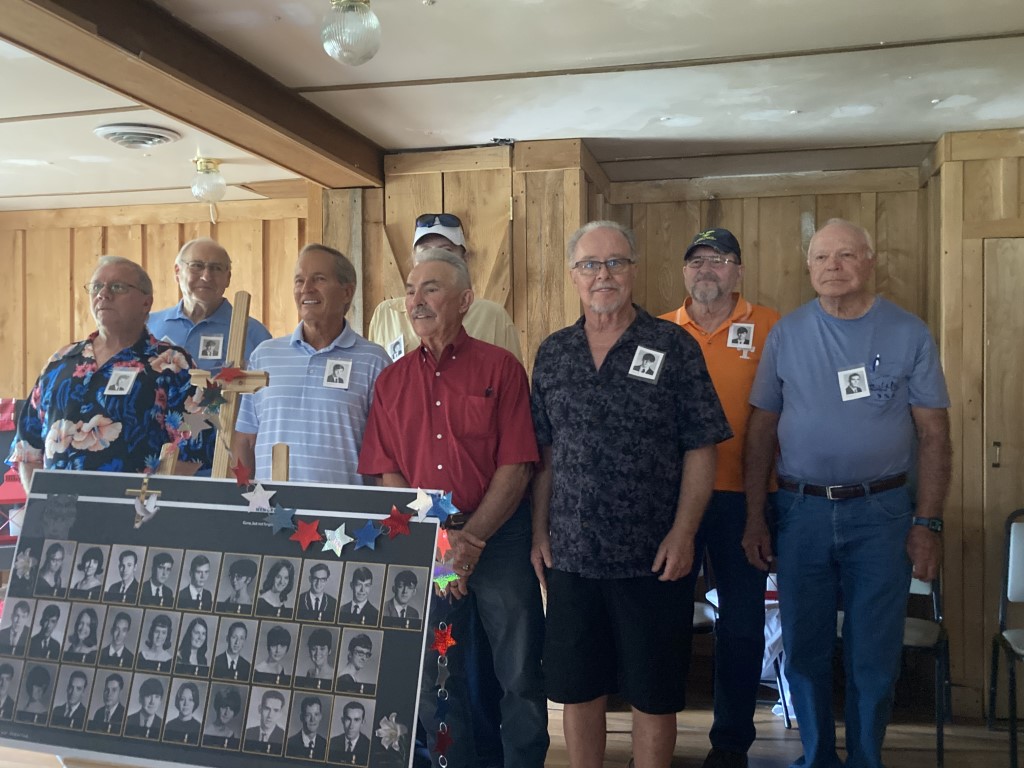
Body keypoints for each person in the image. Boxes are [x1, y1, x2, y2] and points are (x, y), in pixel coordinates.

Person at [744, 218, 951, 768]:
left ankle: (865, 759)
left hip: (882, 513)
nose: (832, 266)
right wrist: (755, 516)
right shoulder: (786, 333)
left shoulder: (908, 333)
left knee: (874, 653)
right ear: (808, 267)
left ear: (870, 261)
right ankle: (815, 757)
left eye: (845, 255)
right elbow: (761, 430)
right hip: (799, 510)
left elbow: (934, 435)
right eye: (821, 257)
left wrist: (927, 522)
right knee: (804, 648)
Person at [531, 221, 731, 768]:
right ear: (573, 275)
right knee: (577, 689)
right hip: (571, 555)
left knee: (653, 693)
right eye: (590, 265)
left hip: (653, 557)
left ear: (634, 270)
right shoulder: (554, 352)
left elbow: (701, 447)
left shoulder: (674, 346)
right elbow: (544, 453)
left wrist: (684, 533)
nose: (604, 275)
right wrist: (538, 532)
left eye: (615, 262)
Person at [358, 248, 547, 768]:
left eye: (431, 289)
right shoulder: (391, 381)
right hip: (429, 544)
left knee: (519, 671)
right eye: (411, 290)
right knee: (437, 674)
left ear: (465, 301)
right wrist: (443, 542)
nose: (416, 301)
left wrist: (470, 542)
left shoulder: (501, 368)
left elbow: (517, 465)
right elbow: (387, 471)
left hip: (500, 539)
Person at [659, 227, 781, 768]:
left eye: (719, 259)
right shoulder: (658, 330)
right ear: (684, 272)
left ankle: (731, 743)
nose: (706, 269)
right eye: (696, 261)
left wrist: (759, 511)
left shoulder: (772, 326)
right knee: (662, 622)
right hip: (671, 504)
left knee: (742, 624)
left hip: (745, 500)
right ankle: (656, 740)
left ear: (738, 271)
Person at [7, 256, 210, 486]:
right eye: (96, 287)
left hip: (138, 505)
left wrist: (153, 502)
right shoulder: (61, 360)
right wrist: (40, 501)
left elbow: (196, 447)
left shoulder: (172, 363)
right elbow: (27, 449)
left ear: (146, 303)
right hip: (57, 506)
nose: (103, 294)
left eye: (117, 287)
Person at [234, 244, 391, 484]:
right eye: (299, 280)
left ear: (347, 292)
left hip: (343, 506)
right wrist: (239, 497)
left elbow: (386, 453)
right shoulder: (264, 355)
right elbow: (245, 440)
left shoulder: (374, 361)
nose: (306, 288)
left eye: (319, 279)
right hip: (270, 505)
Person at [367, 212, 523, 363]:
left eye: (446, 251)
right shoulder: (386, 314)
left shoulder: (493, 316)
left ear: (464, 259)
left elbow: (511, 375)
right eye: (425, 251)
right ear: (413, 259)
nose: (434, 259)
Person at [147, 238, 272, 373]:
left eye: (216, 268)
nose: (206, 277)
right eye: (196, 266)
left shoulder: (254, 334)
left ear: (228, 278)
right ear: (177, 272)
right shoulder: (148, 326)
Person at [243, 689, 287, 756]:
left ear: (280, 714)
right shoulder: (247, 733)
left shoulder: (284, 738)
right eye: (267, 709)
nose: (270, 715)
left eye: (276, 710)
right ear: (260, 709)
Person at [327, 700, 371, 765]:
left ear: (362, 722)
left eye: (356, 720)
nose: (351, 726)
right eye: (348, 719)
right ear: (343, 720)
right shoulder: (332, 743)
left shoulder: (369, 746)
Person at [286, 695, 329, 760]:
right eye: (308, 715)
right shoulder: (290, 743)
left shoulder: (325, 744)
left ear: (320, 717)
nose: (312, 719)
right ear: (301, 717)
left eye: (316, 714)